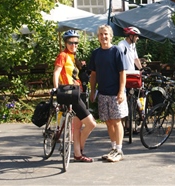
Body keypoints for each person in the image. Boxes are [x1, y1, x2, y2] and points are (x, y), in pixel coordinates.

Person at [53, 30, 96, 162]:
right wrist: (56, 88)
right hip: (69, 93)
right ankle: (80, 147)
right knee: (91, 124)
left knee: (77, 127)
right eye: (71, 43)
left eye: (76, 43)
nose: (74, 45)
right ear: (66, 43)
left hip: (78, 93)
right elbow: (56, 72)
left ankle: (77, 154)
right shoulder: (63, 55)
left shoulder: (72, 57)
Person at [89, 24, 128, 162]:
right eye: (101, 34)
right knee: (108, 122)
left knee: (117, 121)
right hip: (103, 93)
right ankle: (113, 148)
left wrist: (121, 91)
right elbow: (93, 74)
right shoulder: (96, 53)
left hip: (115, 93)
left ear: (111, 36)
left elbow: (122, 73)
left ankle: (119, 149)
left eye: (106, 34)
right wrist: (92, 91)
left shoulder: (117, 51)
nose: (103, 36)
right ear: (98, 37)